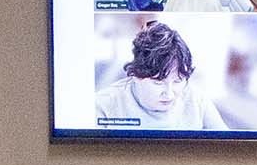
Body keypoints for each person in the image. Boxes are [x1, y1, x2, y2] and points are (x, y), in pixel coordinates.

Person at [95, 22, 227, 131]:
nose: (169, 94)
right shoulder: (104, 105)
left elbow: (227, 149)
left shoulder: (198, 102)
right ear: (136, 75)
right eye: (158, 82)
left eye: (178, 81)